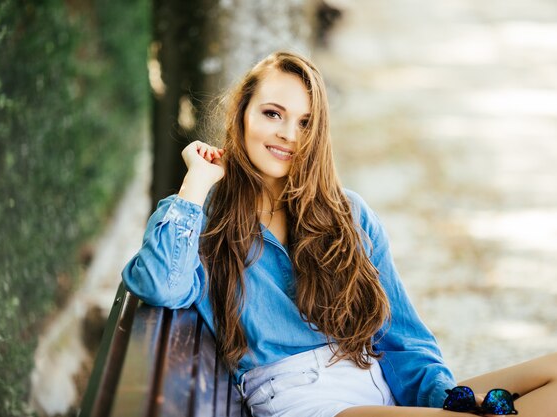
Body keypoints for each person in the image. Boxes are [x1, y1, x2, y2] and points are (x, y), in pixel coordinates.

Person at [122, 51, 557, 417]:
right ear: (242, 115)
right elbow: (159, 283)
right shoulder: (206, 220)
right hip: (305, 402)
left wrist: (446, 401)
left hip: (376, 394)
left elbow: (405, 339)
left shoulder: (347, 214)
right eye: (273, 113)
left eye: (305, 122)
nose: (288, 135)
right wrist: (196, 181)